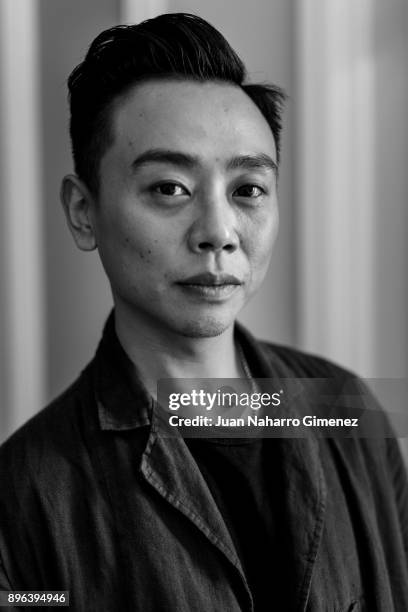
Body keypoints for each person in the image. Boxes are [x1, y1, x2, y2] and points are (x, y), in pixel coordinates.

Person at [0, 12, 407, 612]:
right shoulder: (28, 491)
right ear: (83, 211)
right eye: (170, 188)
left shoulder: (347, 408)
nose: (219, 233)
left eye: (247, 190)